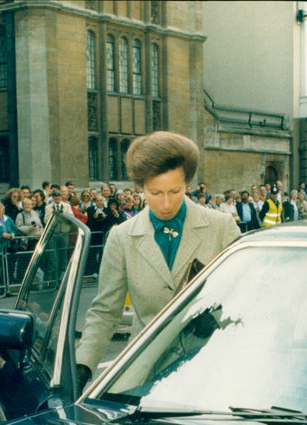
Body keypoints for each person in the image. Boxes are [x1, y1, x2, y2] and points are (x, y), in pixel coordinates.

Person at [75, 131, 241, 388]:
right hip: (147, 368)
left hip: (212, 365)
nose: (166, 203)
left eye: (175, 191)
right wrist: (82, 366)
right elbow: (105, 311)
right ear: (140, 188)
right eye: (155, 193)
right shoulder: (122, 237)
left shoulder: (221, 227)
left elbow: (247, 297)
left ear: (188, 184)